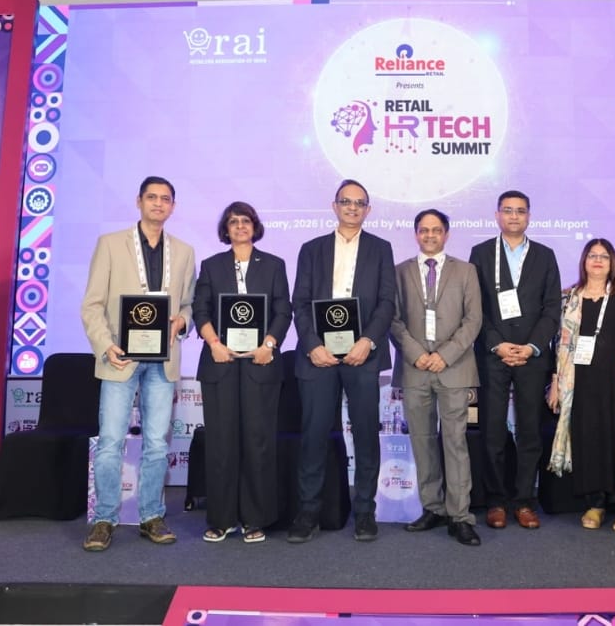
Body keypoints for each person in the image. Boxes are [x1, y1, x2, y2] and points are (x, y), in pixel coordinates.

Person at [80, 176, 196, 552]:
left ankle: (151, 516)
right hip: (120, 359)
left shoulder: (184, 252)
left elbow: (189, 305)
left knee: (157, 445)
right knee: (110, 443)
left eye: (165, 199)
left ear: (173, 206)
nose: (158, 203)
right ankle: (104, 519)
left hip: (162, 362)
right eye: (152, 197)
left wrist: (182, 321)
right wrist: (106, 345)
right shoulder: (110, 244)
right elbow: (92, 305)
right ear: (139, 201)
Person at [288, 179, 396, 543]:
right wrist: (311, 345)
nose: (352, 207)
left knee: (366, 434)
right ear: (334, 206)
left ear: (368, 210)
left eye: (359, 203)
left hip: (362, 355)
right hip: (318, 356)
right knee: (314, 435)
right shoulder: (311, 249)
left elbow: (387, 302)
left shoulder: (381, 248)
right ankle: (308, 512)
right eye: (346, 201)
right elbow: (300, 302)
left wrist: (368, 340)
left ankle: (365, 512)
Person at [192, 202, 291, 544]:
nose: (239, 226)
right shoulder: (211, 265)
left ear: (254, 226)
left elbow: (283, 310)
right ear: (226, 229)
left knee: (257, 442)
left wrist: (269, 345)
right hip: (220, 363)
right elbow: (200, 309)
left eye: (245, 221)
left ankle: (255, 519)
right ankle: (221, 520)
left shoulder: (274, 265)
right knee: (221, 443)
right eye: (233, 222)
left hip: (260, 364)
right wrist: (214, 343)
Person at [468, 190, 561, 530]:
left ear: (529, 217)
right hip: (493, 355)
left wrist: (532, 346)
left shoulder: (545, 255)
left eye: (520, 211)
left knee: (529, 431)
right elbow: (474, 307)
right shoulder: (480, 254)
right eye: (507, 210)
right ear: (497, 215)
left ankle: (523, 501)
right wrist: (497, 344)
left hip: (532, 357)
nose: (514, 216)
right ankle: (496, 501)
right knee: (493, 432)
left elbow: (552, 308)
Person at [389, 209, 483, 546]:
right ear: (416, 234)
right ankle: (433, 508)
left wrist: (445, 354)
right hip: (415, 368)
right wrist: (418, 354)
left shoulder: (466, 271)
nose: (430, 235)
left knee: (455, 443)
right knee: (423, 441)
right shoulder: (399, 272)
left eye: (436, 230)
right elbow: (393, 320)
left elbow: (473, 320)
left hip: (454, 368)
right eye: (424, 230)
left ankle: (460, 516)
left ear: (447, 234)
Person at [546, 239, 615, 533]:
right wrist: (555, 382)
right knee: (588, 440)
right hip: (579, 384)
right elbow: (556, 344)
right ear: (584, 260)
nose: (598, 260)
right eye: (592, 255)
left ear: (612, 262)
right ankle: (596, 503)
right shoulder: (568, 298)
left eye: (604, 256)